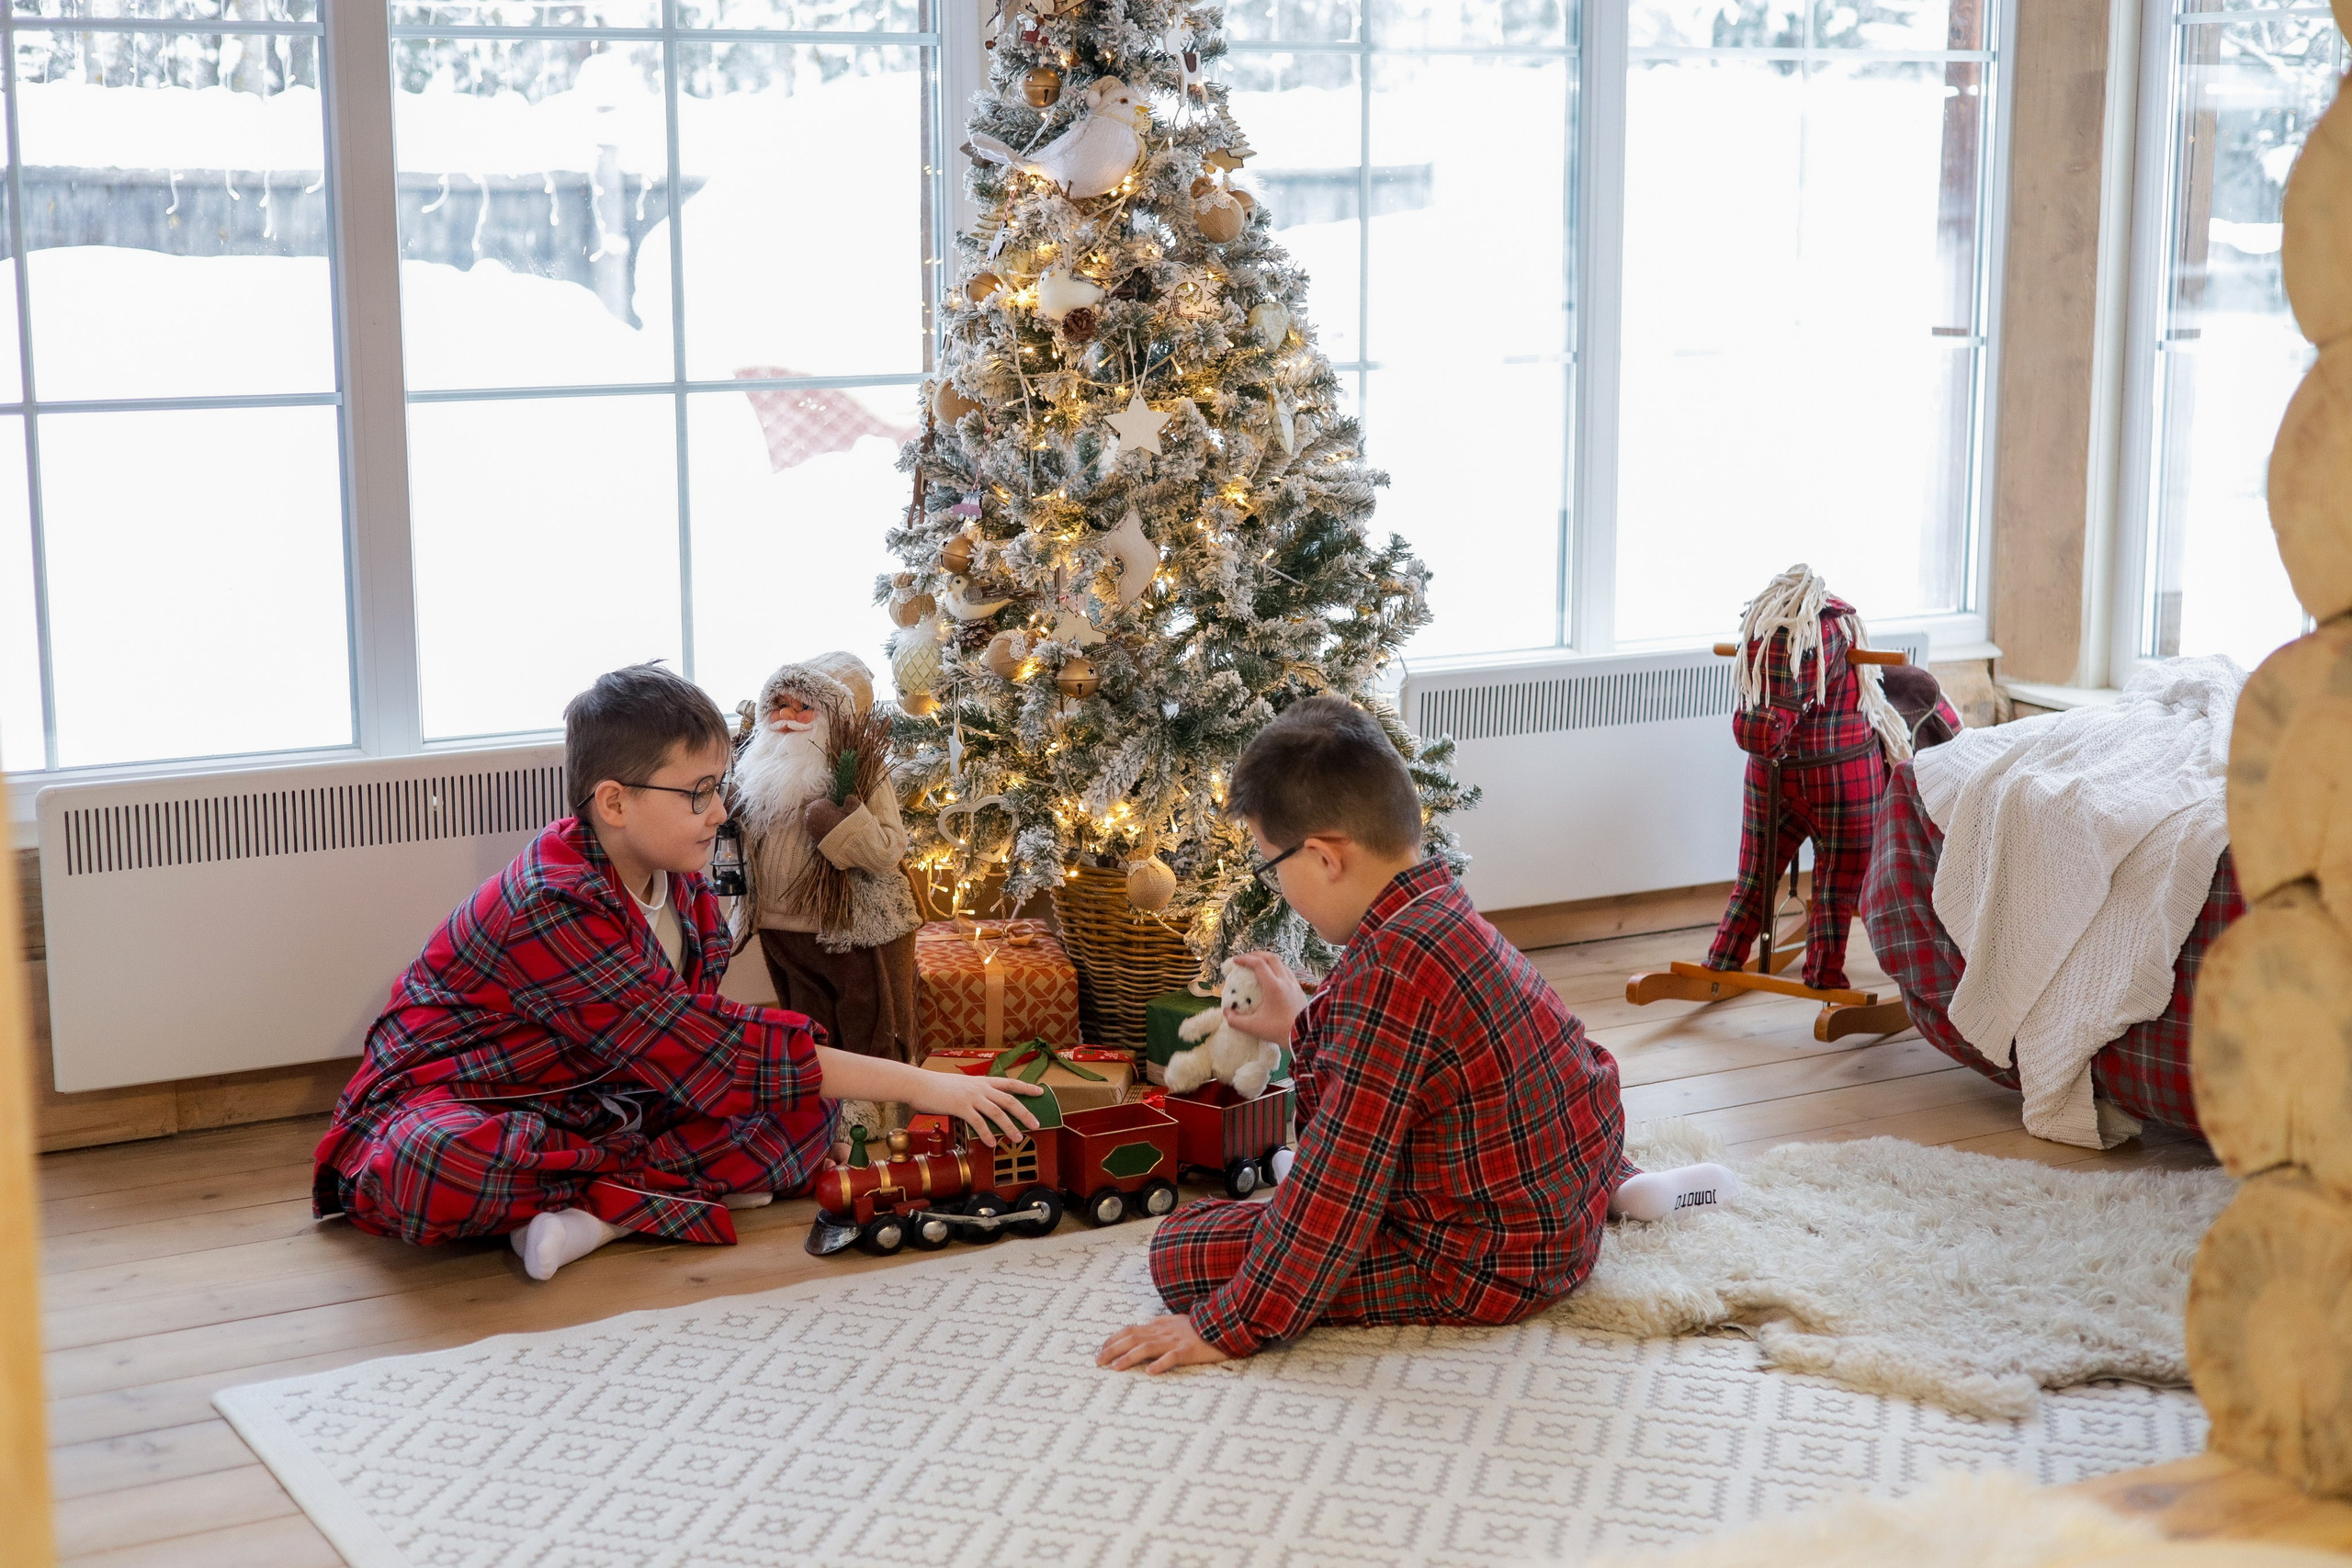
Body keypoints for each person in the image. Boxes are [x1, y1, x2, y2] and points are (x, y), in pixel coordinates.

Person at [311, 663, 1040, 1281]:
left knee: (808, 1113)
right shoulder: (554, 902)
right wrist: (927, 1083)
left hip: (606, 1097)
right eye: (697, 792)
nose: (719, 810)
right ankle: (630, 1198)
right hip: (471, 1098)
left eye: (718, 786)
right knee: (438, 1164)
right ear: (615, 802)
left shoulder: (682, 877)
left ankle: (593, 1216)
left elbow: (695, 1053)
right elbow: (707, 1047)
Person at [1097, 696, 1738, 1374]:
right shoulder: (1438, 911)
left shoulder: (1388, 976)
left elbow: (1336, 1192)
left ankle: (1594, 1200)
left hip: (1488, 1264)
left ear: (1322, 857)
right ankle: (1619, 1185)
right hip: (1562, 1204)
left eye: (1270, 864)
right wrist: (1301, 1022)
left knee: (1180, 1248)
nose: (1277, 886)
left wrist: (1224, 1327)